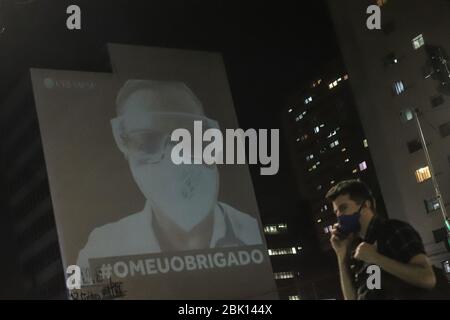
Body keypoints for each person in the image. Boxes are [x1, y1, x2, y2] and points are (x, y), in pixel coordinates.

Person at [76, 80, 262, 280]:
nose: (175, 156)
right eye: (146, 141)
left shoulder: (254, 233)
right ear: (126, 151)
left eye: (190, 136)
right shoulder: (102, 251)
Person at [326, 179, 437, 300]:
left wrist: (376, 258)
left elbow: (427, 278)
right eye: (336, 212)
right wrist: (341, 256)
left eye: (343, 208)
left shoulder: (393, 230)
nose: (339, 216)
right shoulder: (359, 249)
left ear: (366, 205)